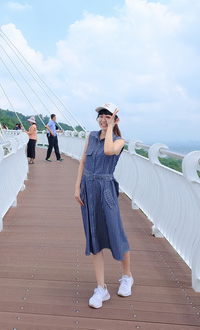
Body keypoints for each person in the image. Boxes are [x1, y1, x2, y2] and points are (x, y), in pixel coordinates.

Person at [74, 102, 133, 309]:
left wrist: (110, 129)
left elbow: (108, 151)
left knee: (116, 233)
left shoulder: (119, 141)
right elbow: (82, 162)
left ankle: (127, 276)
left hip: (106, 190)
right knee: (94, 237)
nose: (102, 119)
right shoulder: (90, 137)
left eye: (108, 116)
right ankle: (102, 289)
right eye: (101, 115)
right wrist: (77, 187)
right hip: (88, 190)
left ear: (116, 120)